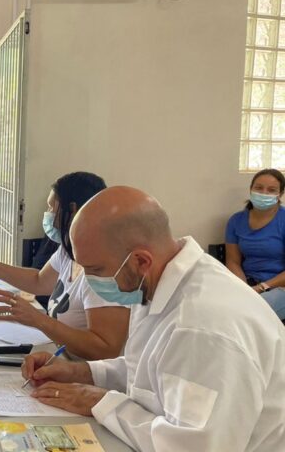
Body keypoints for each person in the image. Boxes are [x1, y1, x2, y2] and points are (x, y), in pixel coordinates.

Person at [21, 186, 285, 451]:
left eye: (96, 270)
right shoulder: (154, 282)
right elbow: (150, 370)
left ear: (140, 261)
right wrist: (82, 372)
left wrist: (100, 402)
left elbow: (192, 446)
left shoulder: (203, 326)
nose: (88, 281)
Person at [0, 172, 129, 360]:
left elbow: (105, 349)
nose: (48, 215)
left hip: (83, 373)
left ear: (72, 209)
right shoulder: (68, 251)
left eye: (51, 207)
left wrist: (38, 320)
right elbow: (38, 281)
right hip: (61, 360)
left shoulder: (103, 270)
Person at [225, 168, 285, 320]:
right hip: (248, 283)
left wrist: (261, 288)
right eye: (259, 188)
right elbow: (233, 261)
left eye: (271, 190)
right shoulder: (236, 221)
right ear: (251, 189)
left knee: (249, 313)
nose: (264, 193)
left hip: (279, 286)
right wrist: (243, 287)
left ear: (280, 194)